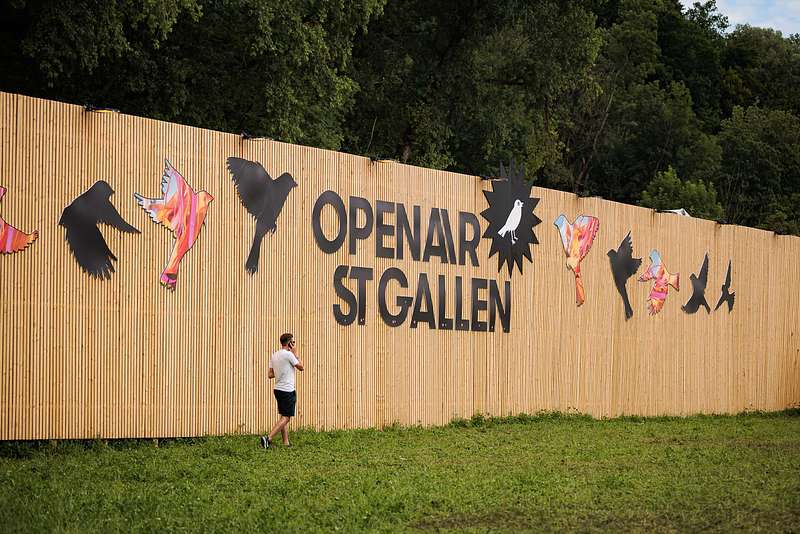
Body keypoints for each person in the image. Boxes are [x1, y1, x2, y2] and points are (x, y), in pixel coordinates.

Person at [261, 333, 304, 449]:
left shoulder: (274, 355)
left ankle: (286, 442)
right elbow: (301, 367)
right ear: (289, 343)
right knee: (286, 417)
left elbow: (270, 374)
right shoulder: (289, 355)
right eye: (293, 342)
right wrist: (296, 354)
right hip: (287, 390)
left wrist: (281, 370)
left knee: (283, 416)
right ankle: (268, 438)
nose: (294, 344)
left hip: (278, 390)